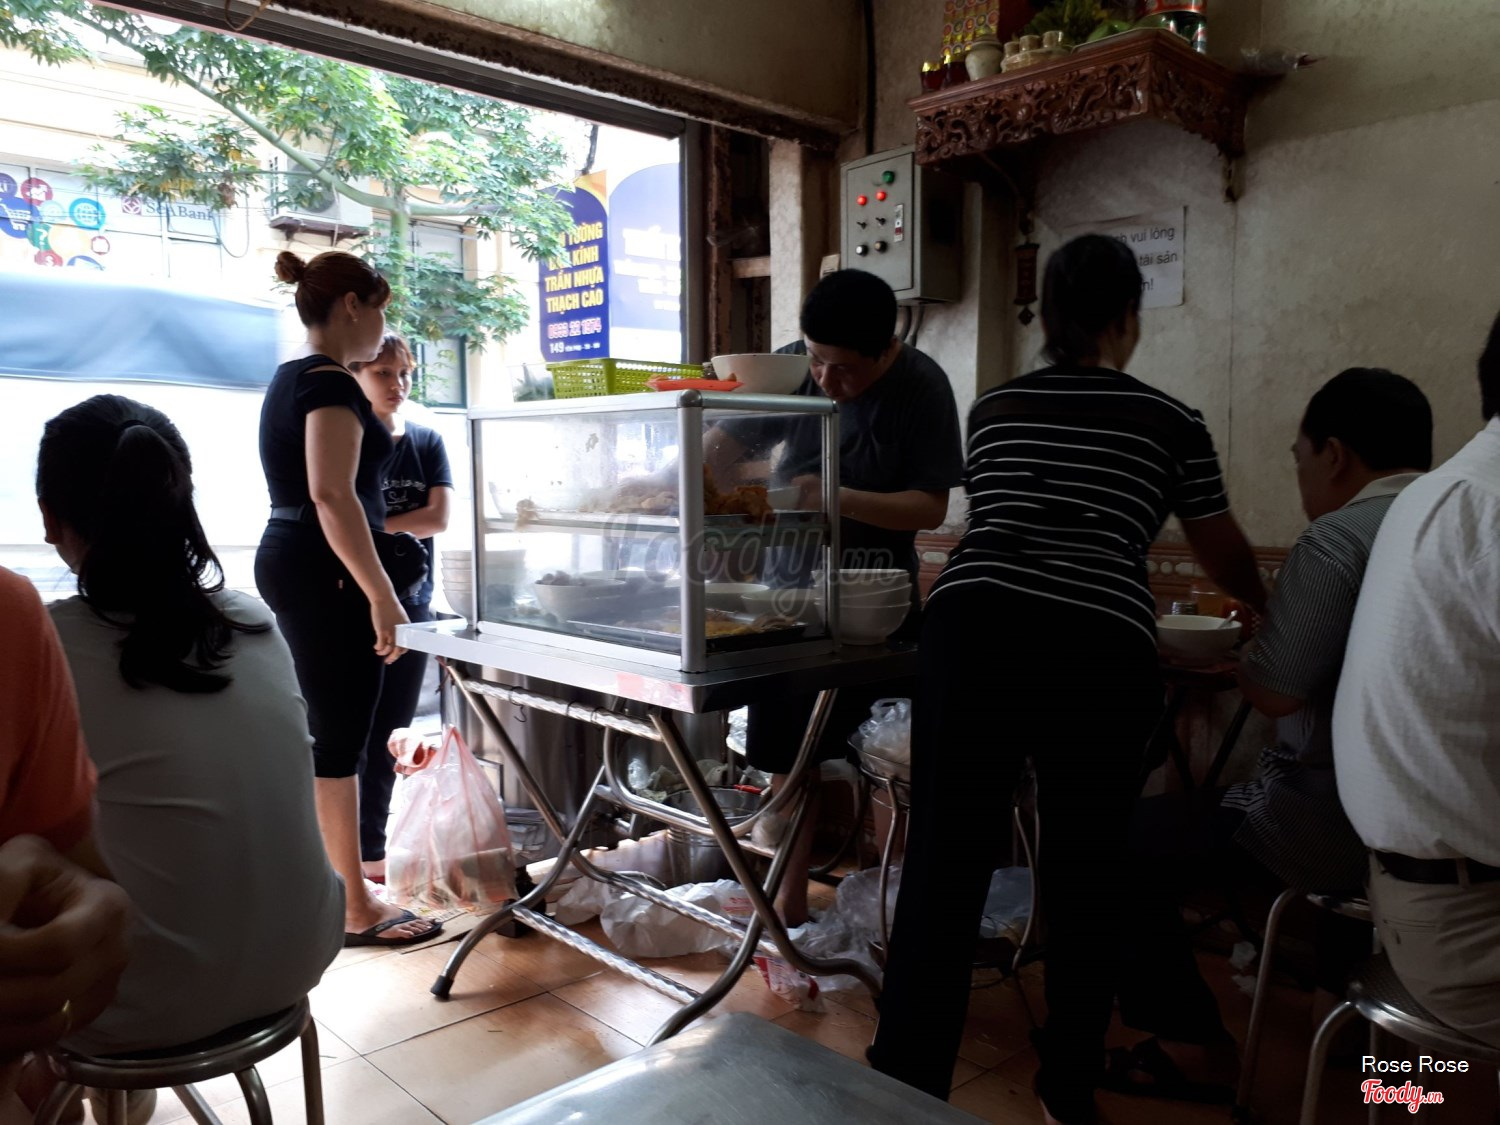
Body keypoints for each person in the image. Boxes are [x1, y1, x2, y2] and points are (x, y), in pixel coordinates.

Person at [868, 234, 1266, 1125]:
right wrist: (1262, 601)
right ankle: (1067, 1092)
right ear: (1127, 317)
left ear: (1046, 317)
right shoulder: (1172, 421)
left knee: (944, 863)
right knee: (1087, 872)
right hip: (1096, 643)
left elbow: (1006, 520)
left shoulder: (996, 408)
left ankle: (902, 1085)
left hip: (971, 626)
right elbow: (1219, 546)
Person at [1105, 368, 1433, 1102]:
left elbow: (1276, 692)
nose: (1303, 478)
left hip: (1333, 821)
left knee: (1123, 841)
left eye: (1300, 459)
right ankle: (1385, 1075)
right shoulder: (1451, 522)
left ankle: (1194, 1049)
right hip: (1431, 826)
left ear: (1335, 454)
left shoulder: (1338, 537)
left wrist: (1253, 656)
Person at [35, 394, 345, 1058]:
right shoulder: (253, 621)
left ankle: (63, 1095)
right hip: (301, 955)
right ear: (180, 498)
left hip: (135, 1002)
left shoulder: (45, 643)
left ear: (49, 518)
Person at [719, 269, 964, 925]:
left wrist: (832, 495)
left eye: (844, 369)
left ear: (886, 349)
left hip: (875, 610)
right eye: (815, 358)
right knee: (788, 761)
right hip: (787, 603)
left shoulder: (921, 385)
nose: (825, 379)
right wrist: (677, 478)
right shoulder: (793, 367)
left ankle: (892, 915)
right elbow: (725, 441)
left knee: (890, 761)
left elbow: (930, 506)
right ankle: (789, 908)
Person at [256, 250, 440, 947]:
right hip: (324, 566)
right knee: (340, 740)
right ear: (354, 306)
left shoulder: (292, 376)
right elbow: (333, 494)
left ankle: (339, 889)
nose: (383, 330)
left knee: (330, 734)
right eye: (381, 312)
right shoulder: (330, 381)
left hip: (298, 556)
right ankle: (355, 909)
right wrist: (381, 593)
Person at [1333, 311, 1500, 1048]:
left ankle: (1403, 1091)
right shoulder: (1484, 507)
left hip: (1401, 884)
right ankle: (1414, 1091)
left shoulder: (1434, 495)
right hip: (1462, 917)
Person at [0, 567, 129, 1125]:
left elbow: (69, 895)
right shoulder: (255, 621)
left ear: (55, 529)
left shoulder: (17, 615)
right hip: (288, 964)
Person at [348, 334, 453, 883]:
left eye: (405, 372)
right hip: (352, 607)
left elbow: (438, 518)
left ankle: (372, 852)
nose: (398, 384)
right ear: (356, 376)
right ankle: (348, 854)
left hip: (414, 606)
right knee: (348, 735)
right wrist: (376, 533)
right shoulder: (345, 440)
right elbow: (331, 514)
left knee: (391, 731)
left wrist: (367, 530)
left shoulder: (426, 440)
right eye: (383, 373)